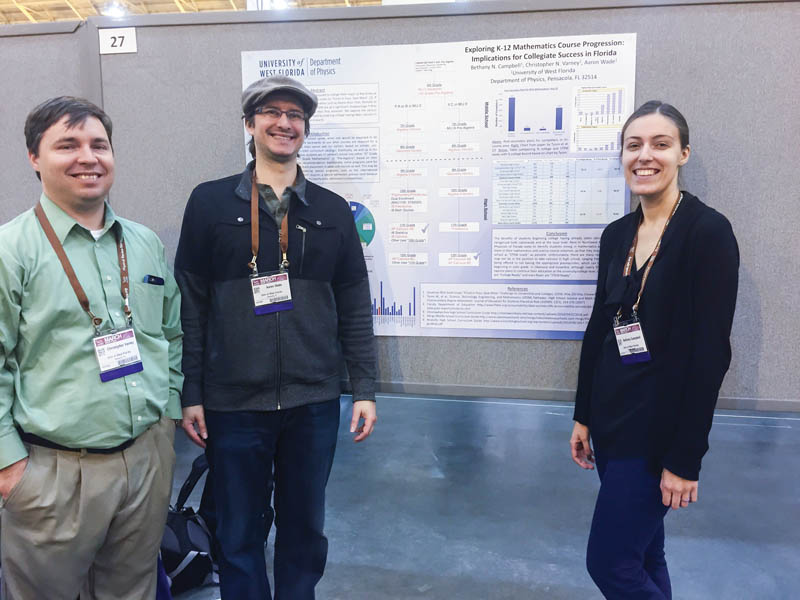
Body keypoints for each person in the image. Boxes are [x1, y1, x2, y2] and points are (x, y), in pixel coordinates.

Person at [175, 75, 377, 600]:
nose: (285, 122)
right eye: (272, 112)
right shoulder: (209, 204)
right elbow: (190, 306)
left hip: (313, 399)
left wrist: (365, 388)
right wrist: (190, 393)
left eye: (296, 115)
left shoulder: (332, 210)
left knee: (304, 527)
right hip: (233, 401)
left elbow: (354, 301)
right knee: (238, 530)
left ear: (305, 130)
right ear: (250, 124)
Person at [0, 96, 183, 599]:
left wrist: (166, 417)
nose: (88, 157)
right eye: (67, 145)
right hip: (54, 474)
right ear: (34, 158)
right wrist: (9, 467)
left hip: (145, 460)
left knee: (133, 591)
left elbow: (170, 332)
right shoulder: (10, 250)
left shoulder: (144, 243)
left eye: (98, 144)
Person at [569, 101, 739, 599]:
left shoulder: (707, 232)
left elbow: (711, 355)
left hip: (657, 434)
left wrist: (687, 457)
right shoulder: (617, 235)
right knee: (644, 554)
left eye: (660, 144)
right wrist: (583, 415)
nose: (645, 156)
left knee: (610, 562)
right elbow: (600, 330)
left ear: (683, 153)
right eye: (633, 145)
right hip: (611, 424)